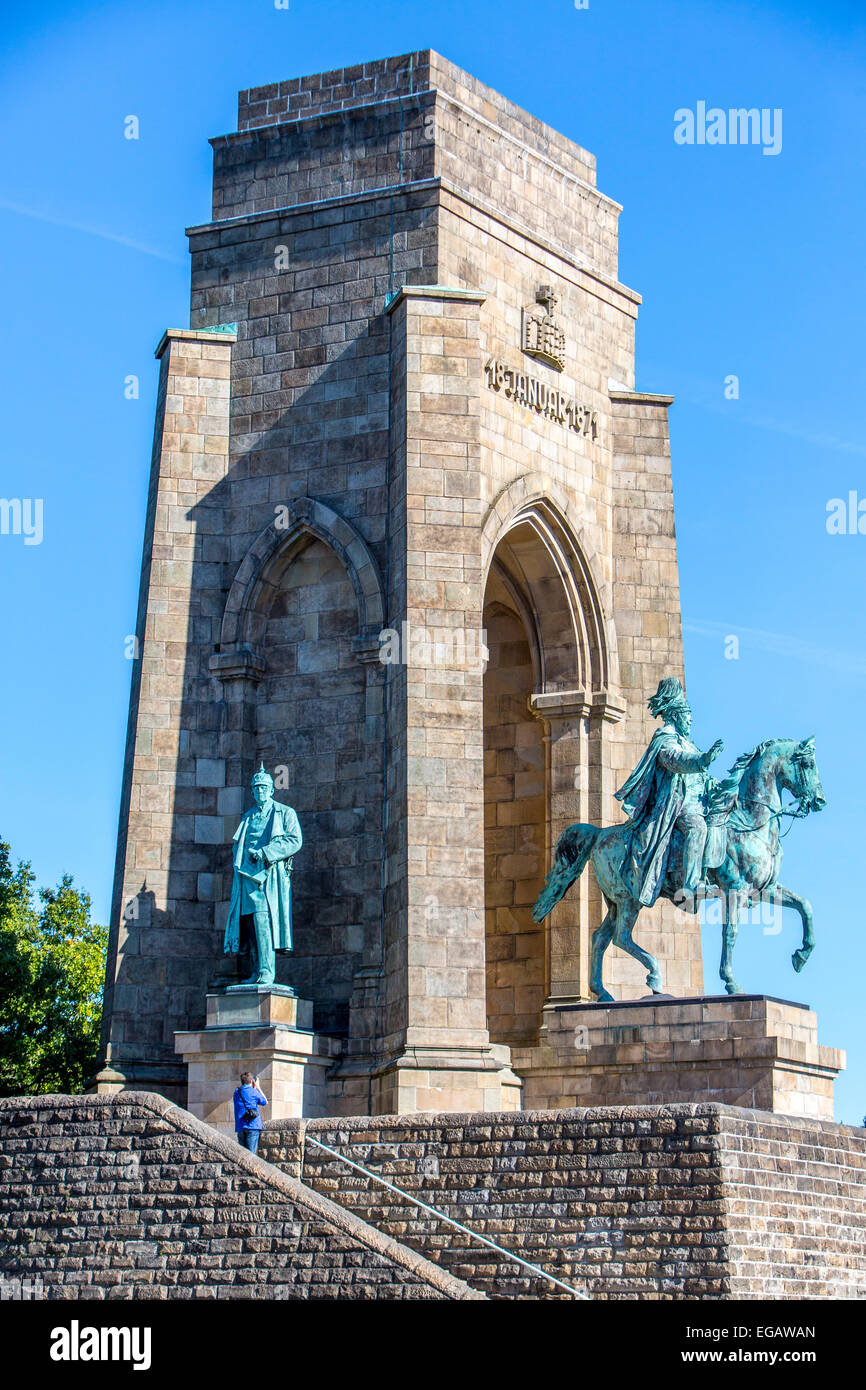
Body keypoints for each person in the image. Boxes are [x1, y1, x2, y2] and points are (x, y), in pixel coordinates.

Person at [615, 676, 724, 910]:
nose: (691, 720)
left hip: (699, 802)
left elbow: (702, 778)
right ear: (676, 715)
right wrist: (703, 759)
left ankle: (711, 873)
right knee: (698, 827)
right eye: (688, 716)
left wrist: (719, 787)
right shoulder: (666, 739)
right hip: (677, 805)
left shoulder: (688, 742)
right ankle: (691, 885)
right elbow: (675, 760)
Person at [224, 764, 302, 986]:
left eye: (264, 788)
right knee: (248, 924)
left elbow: (295, 841)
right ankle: (257, 971)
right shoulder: (248, 817)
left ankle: (267, 972)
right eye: (256, 788)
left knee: (263, 921)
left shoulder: (285, 812)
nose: (260, 792)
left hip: (269, 879)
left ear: (271, 790)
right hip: (246, 878)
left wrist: (266, 853)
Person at [233, 1071, 268, 1153]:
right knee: (251, 1156)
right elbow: (265, 1101)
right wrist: (258, 1087)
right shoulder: (253, 1092)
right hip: (253, 1126)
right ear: (252, 1081)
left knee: (242, 1155)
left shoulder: (236, 1092)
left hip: (240, 1126)